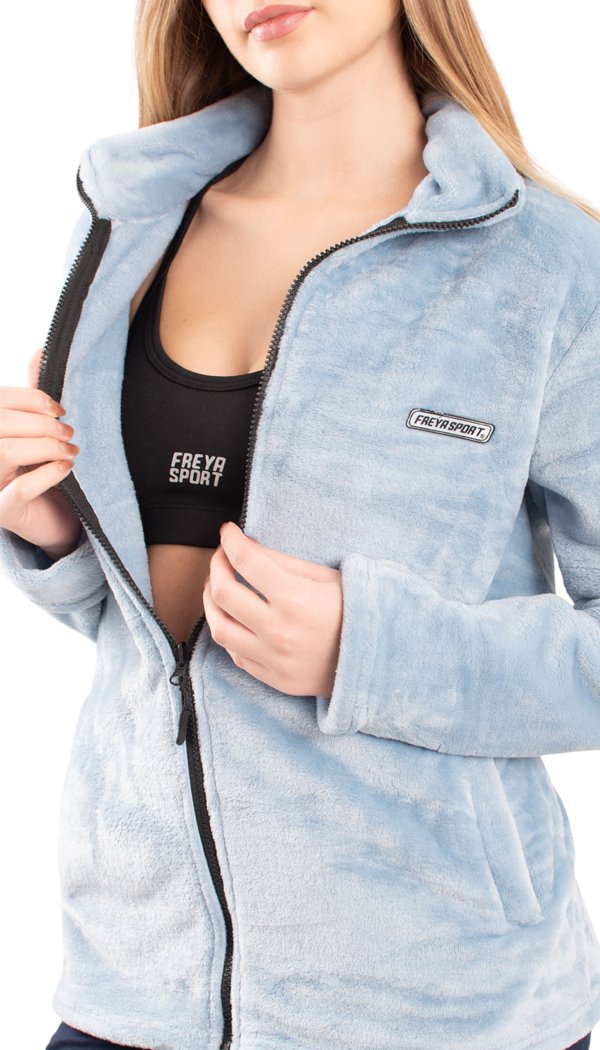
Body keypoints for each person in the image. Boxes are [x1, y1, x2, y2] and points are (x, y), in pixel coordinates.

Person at [0, 0, 599, 1047]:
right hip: (134, 989)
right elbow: (153, 640)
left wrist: (371, 649)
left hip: (440, 1010)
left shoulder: (544, 263)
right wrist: (54, 533)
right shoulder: (130, 227)